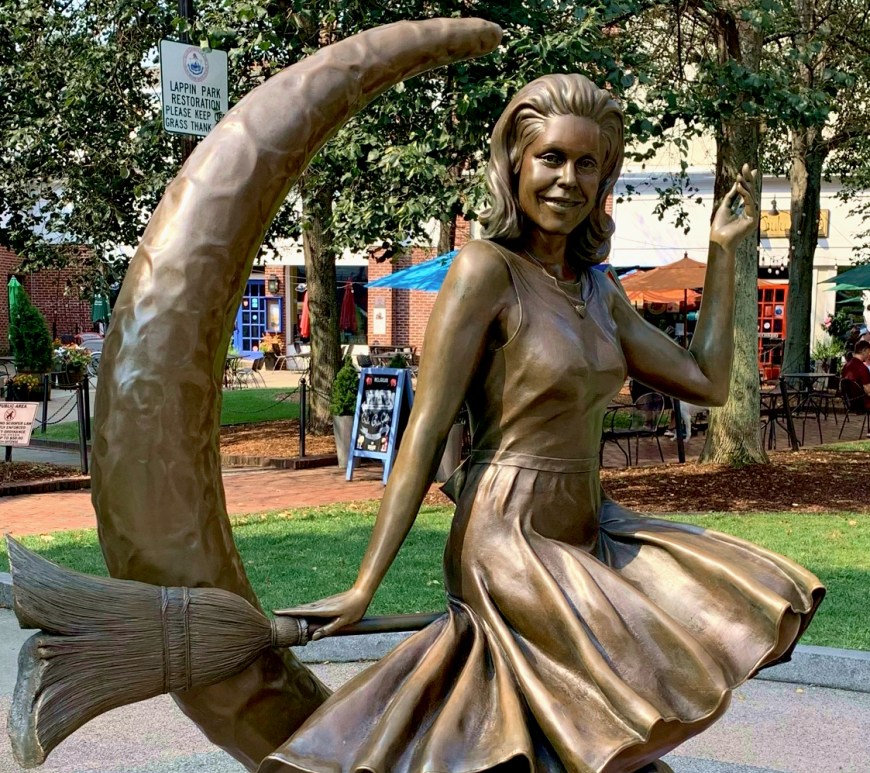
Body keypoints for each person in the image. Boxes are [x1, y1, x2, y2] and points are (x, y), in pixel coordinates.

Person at [264, 75, 823, 773]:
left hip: (590, 524)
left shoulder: (599, 289)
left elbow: (706, 382)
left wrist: (723, 252)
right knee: (626, 663)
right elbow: (427, 429)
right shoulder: (485, 271)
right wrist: (363, 584)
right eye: (551, 158)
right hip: (507, 534)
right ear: (515, 163)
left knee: (723, 601)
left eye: (588, 164)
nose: (568, 179)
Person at [842, 339, 870, 409]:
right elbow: (868, 391)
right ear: (864, 351)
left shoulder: (846, 366)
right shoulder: (862, 368)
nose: (869, 355)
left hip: (849, 402)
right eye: (869, 352)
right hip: (862, 403)